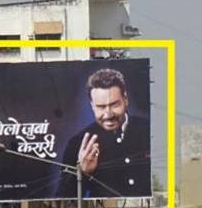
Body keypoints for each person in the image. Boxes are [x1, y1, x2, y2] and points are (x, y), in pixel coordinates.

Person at [56, 68, 152, 200]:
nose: (108, 114)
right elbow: (62, 201)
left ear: (126, 99)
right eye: (101, 107)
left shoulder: (148, 129)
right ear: (92, 106)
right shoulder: (77, 143)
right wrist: (82, 172)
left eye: (114, 105)